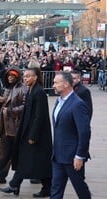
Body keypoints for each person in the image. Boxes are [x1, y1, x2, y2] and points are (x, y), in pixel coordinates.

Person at [0, 67, 52, 198]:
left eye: (28, 76)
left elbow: (39, 116)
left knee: (31, 160)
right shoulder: (31, 90)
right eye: (25, 76)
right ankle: (17, 185)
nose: (25, 78)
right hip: (27, 130)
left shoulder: (39, 93)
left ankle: (16, 184)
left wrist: (33, 135)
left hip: (36, 134)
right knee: (29, 159)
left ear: (35, 77)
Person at [51, 71, 91, 199]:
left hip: (72, 157)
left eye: (56, 83)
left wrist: (80, 155)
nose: (53, 85)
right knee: (56, 188)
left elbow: (84, 132)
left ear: (67, 84)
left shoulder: (77, 104)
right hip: (58, 155)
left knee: (80, 187)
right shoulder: (59, 101)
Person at [0, 67, 27, 183]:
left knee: (8, 152)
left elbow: (25, 106)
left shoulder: (23, 89)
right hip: (6, 125)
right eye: (9, 76)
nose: (10, 78)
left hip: (15, 125)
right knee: (3, 151)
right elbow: (4, 106)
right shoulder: (8, 89)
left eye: (13, 76)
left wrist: (11, 110)